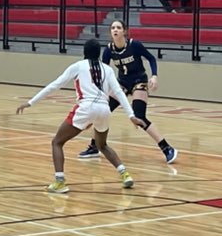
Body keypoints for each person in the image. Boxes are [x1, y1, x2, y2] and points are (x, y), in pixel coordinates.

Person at [16, 39, 143, 194]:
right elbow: (118, 92)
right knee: (102, 145)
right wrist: (131, 115)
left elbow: (54, 85)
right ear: (99, 54)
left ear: (84, 52)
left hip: (86, 107)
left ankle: (60, 182)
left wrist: (30, 102)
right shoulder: (107, 69)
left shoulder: (78, 66)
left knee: (57, 142)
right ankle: (125, 174)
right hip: (104, 109)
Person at [79, 20, 177, 163]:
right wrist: (101, 91)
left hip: (139, 81)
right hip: (122, 83)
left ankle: (167, 148)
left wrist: (154, 76)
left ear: (124, 31)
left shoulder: (134, 45)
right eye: (113, 28)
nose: (115, 30)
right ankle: (94, 146)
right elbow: (104, 72)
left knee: (139, 116)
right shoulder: (108, 50)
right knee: (102, 111)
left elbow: (151, 58)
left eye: (118, 28)